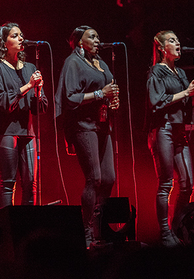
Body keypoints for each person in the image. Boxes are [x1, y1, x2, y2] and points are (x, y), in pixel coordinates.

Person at [54, 25, 120, 246]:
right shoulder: (73, 62)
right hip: (83, 125)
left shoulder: (100, 63)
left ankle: (99, 226)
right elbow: (71, 97)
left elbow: (109, 89)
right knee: (95, 178)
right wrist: (102, 93)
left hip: (102, 124)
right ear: (79, 42)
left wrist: (112, 101)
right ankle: (86, 230)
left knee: (109, 177)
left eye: (98, 36)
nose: (97, 39)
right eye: (92, 36)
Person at [146, 30, 194, 247]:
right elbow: (156, 101)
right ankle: (164, 233)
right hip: (163, 129)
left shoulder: (179, 73)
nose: (178, 43)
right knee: (166, 183)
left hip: (179, 130)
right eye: (172, 40)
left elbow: (184, 102)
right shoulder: (155, 72)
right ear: (161, 48)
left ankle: (177, 226)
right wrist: (186, 93)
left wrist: (192, 96)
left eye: (178, 39)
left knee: (187, 184)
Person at [0, 22, 48, 208]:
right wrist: (28, 86)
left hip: (28, 131)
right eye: (15, 35)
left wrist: (38, 91)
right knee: (8, 182)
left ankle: (28, 229)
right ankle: (9, 227)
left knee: (30, 183)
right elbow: (4, 102)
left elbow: (40, 108)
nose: (21, 38)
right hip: (6, 131)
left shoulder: (29, 67)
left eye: (21, 34)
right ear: (4, 43)